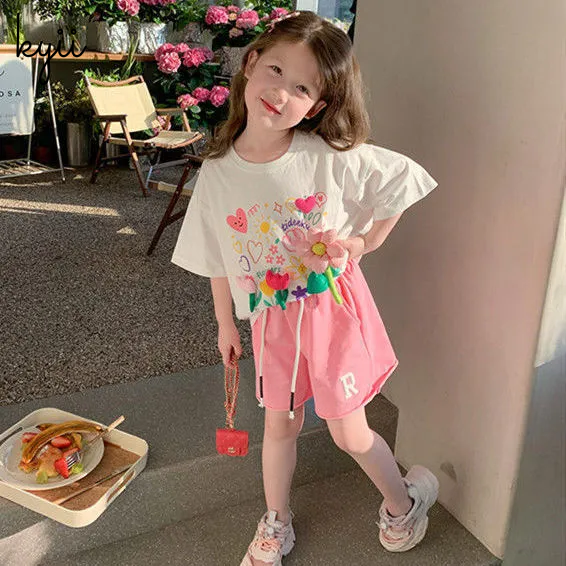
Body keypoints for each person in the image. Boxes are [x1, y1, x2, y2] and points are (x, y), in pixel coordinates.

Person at [172, 11, 439, 566]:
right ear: (250, 64)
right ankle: (277, 521)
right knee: (280, 424)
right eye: (275, 71)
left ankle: (404, 503)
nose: (281, 93)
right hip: (270, 320)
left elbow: (400, 179)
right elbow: (218, 255)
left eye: (302, 88)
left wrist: (362, 243)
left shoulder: (323, 157)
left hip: (331, 311)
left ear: (315, 107)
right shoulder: (218, 172)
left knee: (348, 432)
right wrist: (224, 324)